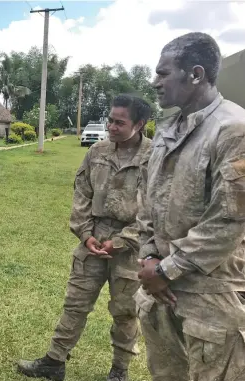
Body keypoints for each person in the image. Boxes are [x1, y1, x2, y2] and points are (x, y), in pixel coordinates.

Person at [17, 94, 152, 381]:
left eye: (119, 122)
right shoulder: (97, 152)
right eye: (110, 120)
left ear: (139, 124)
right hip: (93, 239)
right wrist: (86, 233)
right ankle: (54, 362)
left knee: (126, 312)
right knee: (75, 303)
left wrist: (119, 242)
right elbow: (81, 193)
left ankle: (119, 372)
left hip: (131, 247)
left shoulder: (155, 158)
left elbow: (155, 212)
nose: (111, 127)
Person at [134, 32, 245, 381]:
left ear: (195, 74)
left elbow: (228, 221)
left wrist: (166, 269)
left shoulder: (233, 129)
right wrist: (150, 257)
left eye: (163, 73)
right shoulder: (169, 127)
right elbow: (147, 199)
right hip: (160, 289)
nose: (155, 83)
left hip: (210, 294)